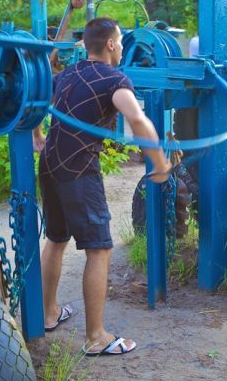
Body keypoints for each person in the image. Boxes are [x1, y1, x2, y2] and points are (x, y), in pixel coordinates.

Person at [32, 18, 171, 356]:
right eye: (120, 41)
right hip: (79, 170)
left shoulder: (68, 73)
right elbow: (137, 119)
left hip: (50, 163)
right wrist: (159, 162)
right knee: (99, 249)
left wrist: (38, 135)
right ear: (110, 44)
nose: (122, 46)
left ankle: (47, 313)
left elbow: (35, 98)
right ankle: (96, 337)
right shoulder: (115, 79)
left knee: (56, 238)